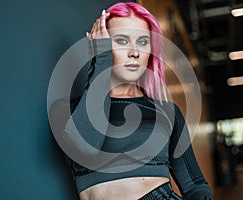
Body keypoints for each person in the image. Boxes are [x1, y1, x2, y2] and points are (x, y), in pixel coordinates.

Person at [50, 2, 213, 200]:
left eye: (143, 42)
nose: (134, 52)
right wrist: (101, 60)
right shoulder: (66, 108)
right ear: (100, 44)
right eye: (121, 40)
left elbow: (195, 185)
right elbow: (85, 148)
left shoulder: (167, 112)